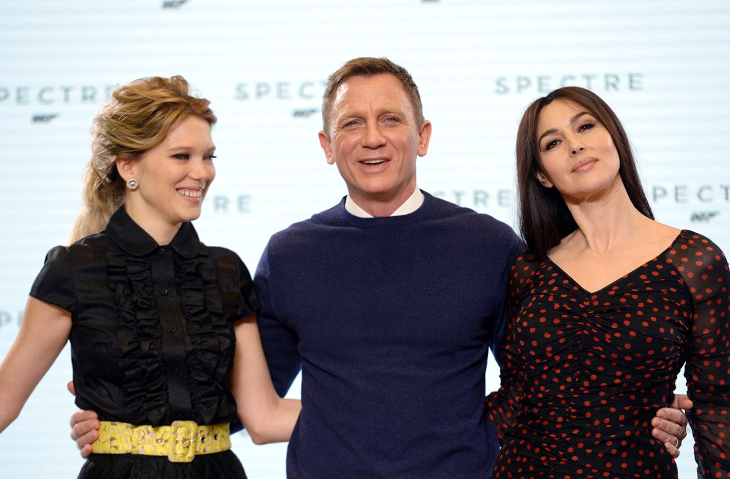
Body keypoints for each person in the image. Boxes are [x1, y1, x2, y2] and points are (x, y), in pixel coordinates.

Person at [70, 59, 689, 478]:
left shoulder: (488, 244)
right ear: (325, 145)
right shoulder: (290, 255)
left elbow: (547, 384)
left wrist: (644, 412)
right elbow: (243, 404)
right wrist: (132, 413)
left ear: (421, 135)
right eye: (351, 123)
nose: (373, 138)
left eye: (390, 119)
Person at [0, 76, 300, 478]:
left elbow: (264, 419)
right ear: (128, 167)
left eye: (208, 156)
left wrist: (392, 409)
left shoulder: (226, 270)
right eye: (181, 156)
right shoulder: (73, 271)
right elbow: (5, 401)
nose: (202, 172)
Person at [487, 86, 730, 478]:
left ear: (614, 137)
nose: (575, 146)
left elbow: (716, 407)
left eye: (586, 127)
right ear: (541, 174)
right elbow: (514, 400)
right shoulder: (529, 270)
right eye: (553, 142)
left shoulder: (694, 261)